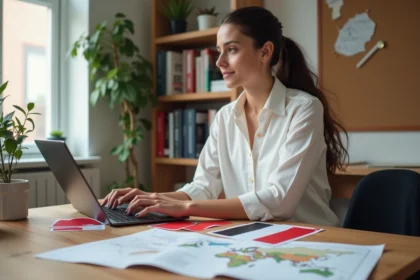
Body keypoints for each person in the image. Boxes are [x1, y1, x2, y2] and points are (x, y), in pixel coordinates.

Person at [101, 6, 348, 226]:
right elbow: (203, 187)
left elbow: (279, 200)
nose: (219, 61)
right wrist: (151, 198)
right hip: (253, 238)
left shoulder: (304, 108)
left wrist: (185, 208)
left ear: (265, 52)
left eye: (231, 49)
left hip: (310, 238)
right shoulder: (225, 117)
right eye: (219, 51)